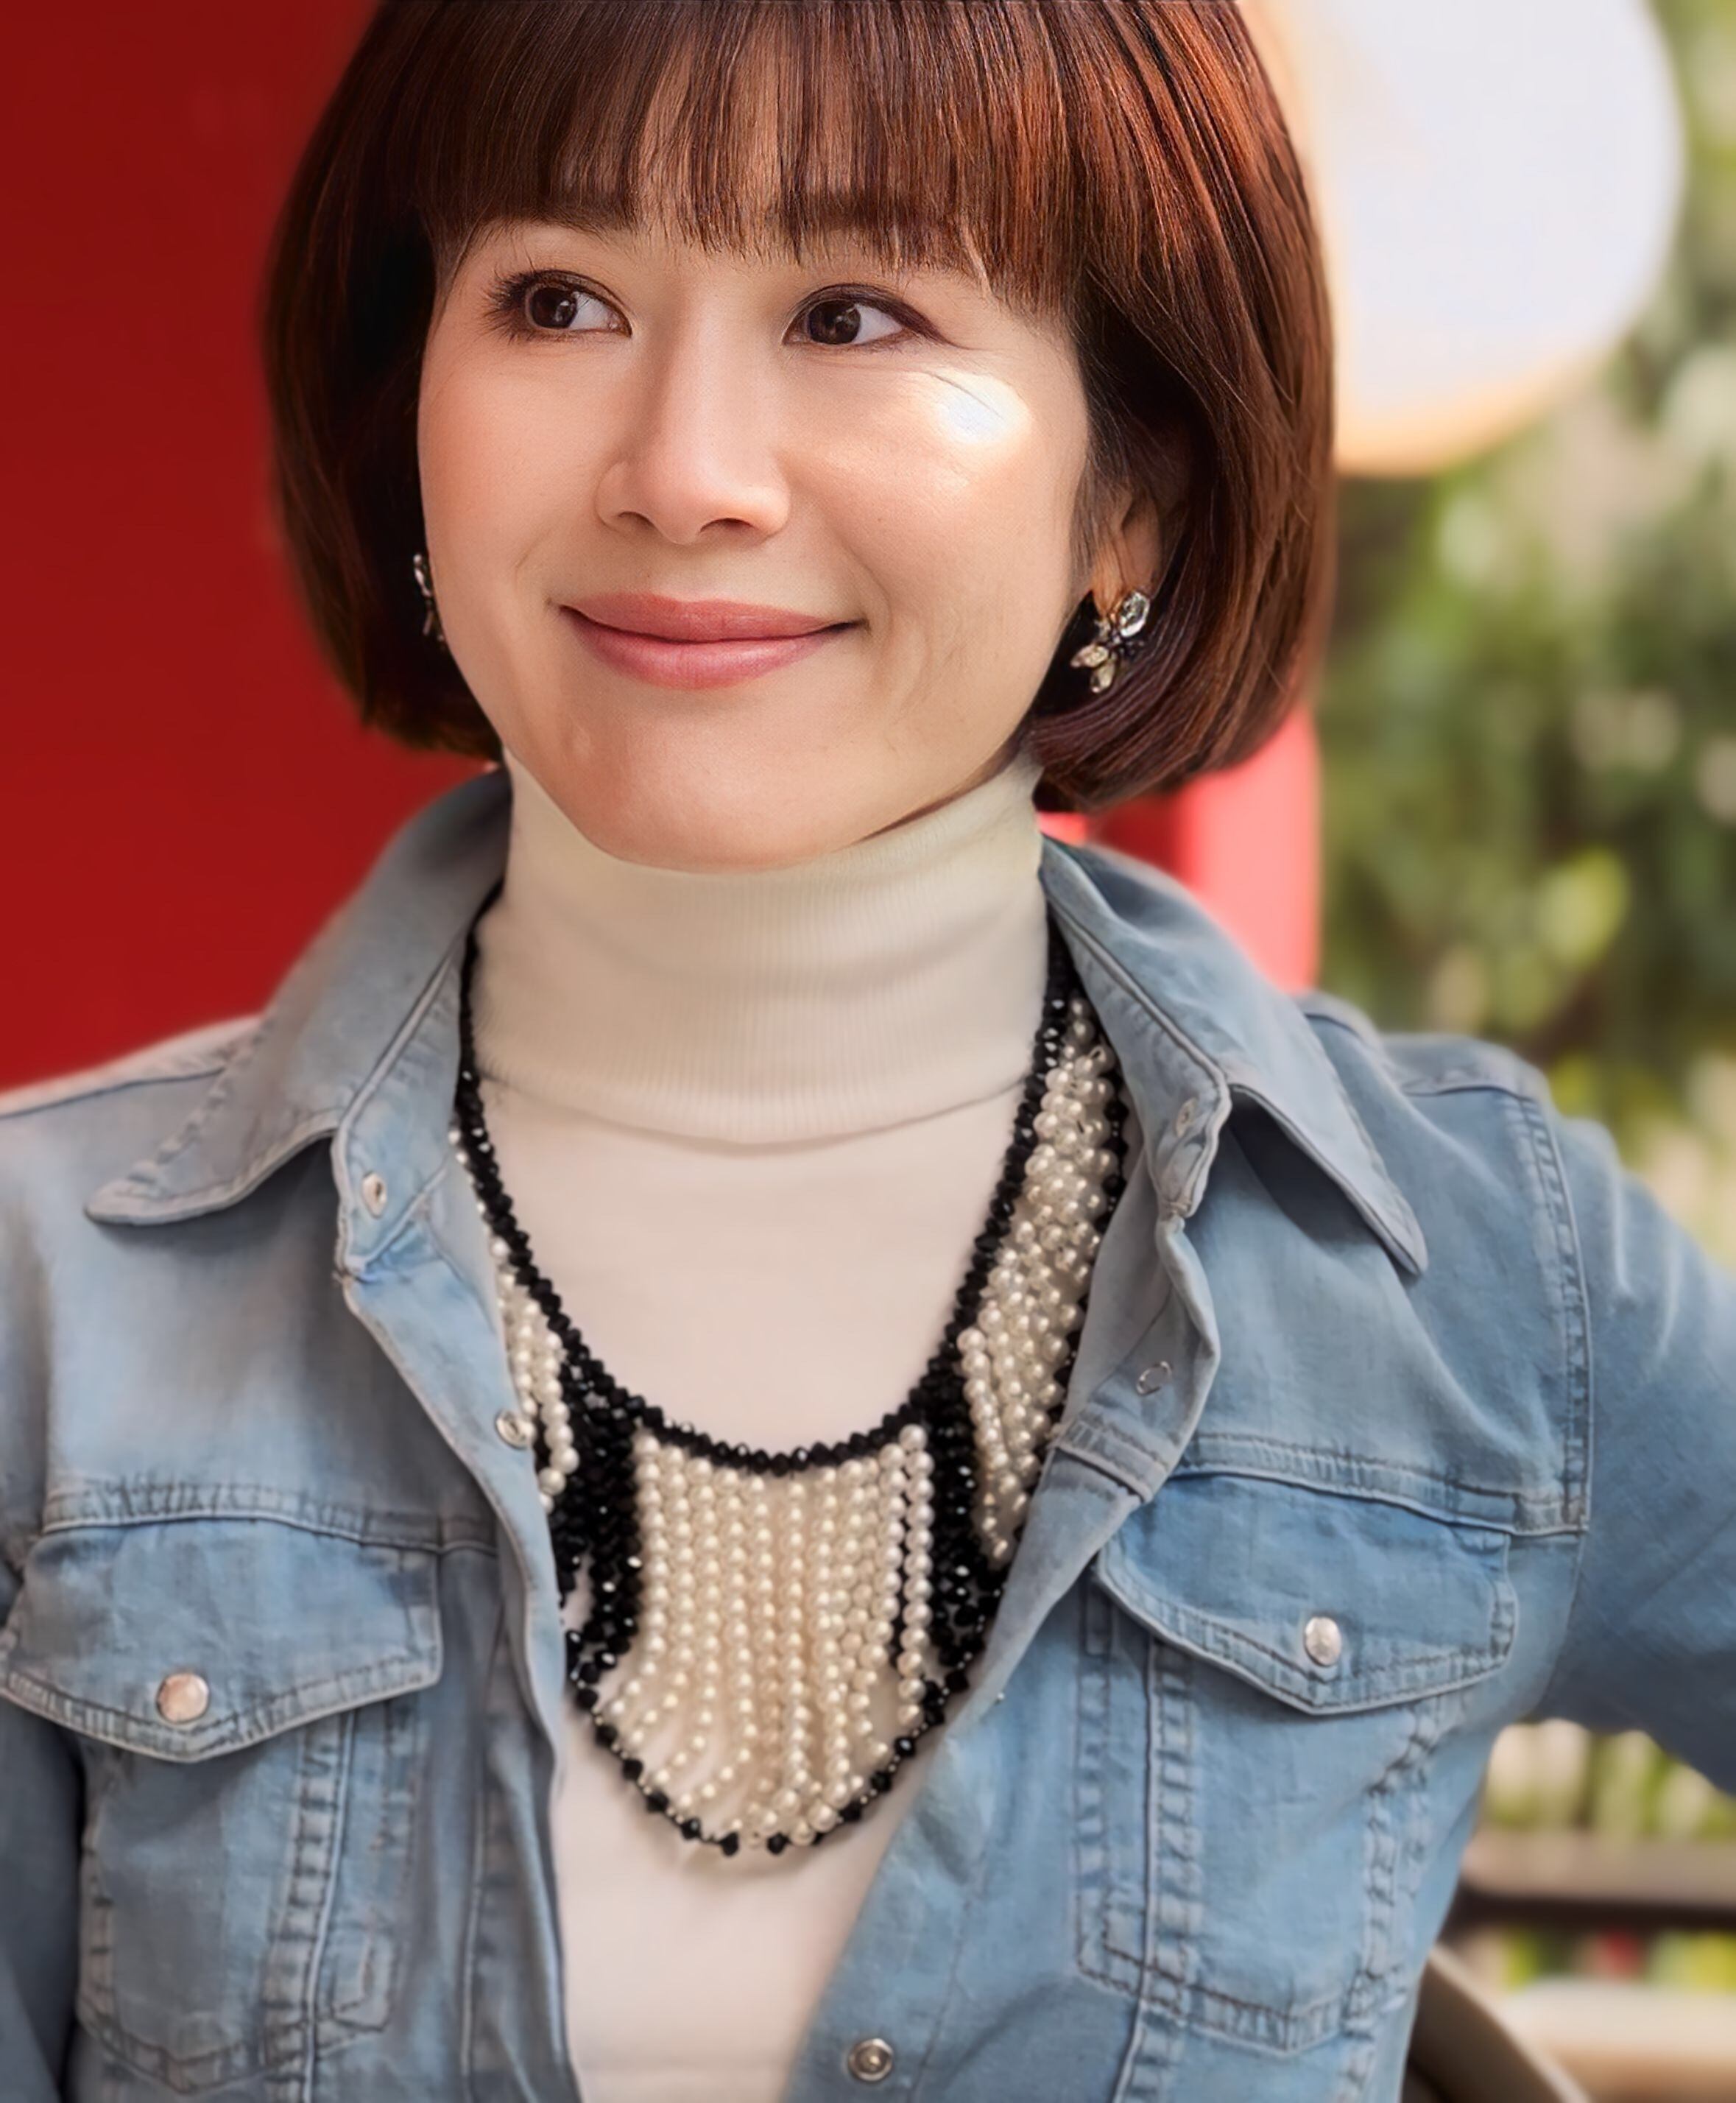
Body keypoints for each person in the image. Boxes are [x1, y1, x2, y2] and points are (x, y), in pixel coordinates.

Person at [1, 4, 1729, 2100]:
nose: (683, 473)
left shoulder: (1476, 1280)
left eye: (853, 314)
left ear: (1132, 489)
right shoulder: (45, 1304)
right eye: (558, 300)